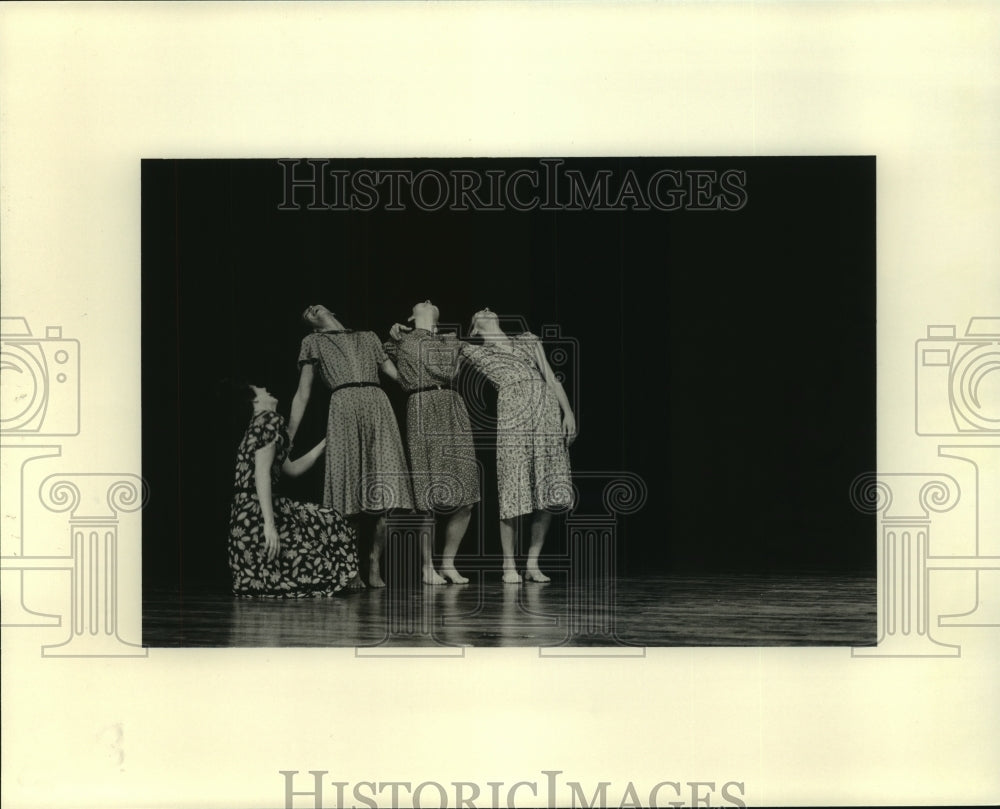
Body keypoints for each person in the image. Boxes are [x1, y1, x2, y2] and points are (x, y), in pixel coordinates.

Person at [290, 304, 415, 588]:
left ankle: (374, 562)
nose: (312, 307)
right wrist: (289, 436)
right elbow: (302, 393)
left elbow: (398, 376)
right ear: (312, 325)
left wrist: (404, 341)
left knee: (388, 489)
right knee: (348, 492)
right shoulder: (313, 342)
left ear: (331, 310)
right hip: (344, 407)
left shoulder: (369, 337)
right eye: (307, 312)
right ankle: (350, 568)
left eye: (315, 305)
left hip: (377, 404)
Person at [460, 308, 576, 583]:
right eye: (479, 313)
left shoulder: (527, 340)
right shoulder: (476, 351)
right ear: (475, 329)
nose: (487, 309)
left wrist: (568, 412)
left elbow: (550, 376)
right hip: (514, 415)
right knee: (513, 489)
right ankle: (508, 565)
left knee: (548, 489)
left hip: (545, 412)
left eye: (489, 309)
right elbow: (435, 343)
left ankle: (533, 562)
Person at [228, 383, 362, 597]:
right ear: (255, 402)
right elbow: (261, 475)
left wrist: (325, 443)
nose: (266, 388)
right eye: (260, 390)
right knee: (327, 530)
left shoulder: (260, 427)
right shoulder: (268, 420)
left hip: (248, 515)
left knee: (325, 519)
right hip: (256, 513)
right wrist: (269, 525)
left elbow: (291, 469)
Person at [385, 300, 480, 585]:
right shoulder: (398, 339)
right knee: (427, 493)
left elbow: (451, 372)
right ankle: (427, 567)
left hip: (451, 407)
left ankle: (448, 562)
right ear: (410, 316)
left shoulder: (450, 340)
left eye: (431, 302)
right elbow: (379, 357)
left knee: (466, 493)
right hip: (422, 405)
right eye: (420, 303)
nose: (427, 300)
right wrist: (404, 379)